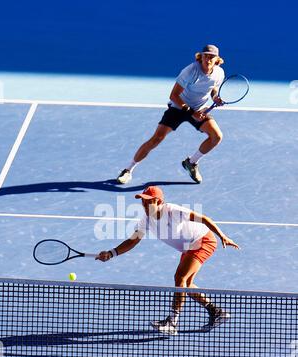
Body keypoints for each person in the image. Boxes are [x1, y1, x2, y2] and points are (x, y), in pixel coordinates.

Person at [96, 186, 239, 335]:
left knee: (180, 278)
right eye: (143, 202)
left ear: (158, 202)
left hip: (202, 240)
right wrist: (111, 253)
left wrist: (223, 236)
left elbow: (204, 219)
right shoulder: (145, 220)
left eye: (148, 202)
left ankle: (172, 322)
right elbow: (132, 241)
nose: (144, 205)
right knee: (186, 284)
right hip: (188, 246)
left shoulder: (172, 211)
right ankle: (217, 312)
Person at [116, 44, 225, 185]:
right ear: (201, 56)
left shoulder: (219, 73)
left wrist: (215, 97)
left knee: (216, 137)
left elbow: (213, 87)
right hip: (178, 107)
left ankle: (191, 163)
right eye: (205, 55)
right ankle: (128, 170)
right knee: (156, 139)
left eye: (211, 57)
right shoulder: (190, 71)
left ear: (217, 59)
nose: (208, 59)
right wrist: (191, 112)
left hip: (199, 109)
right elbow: (173, 95)